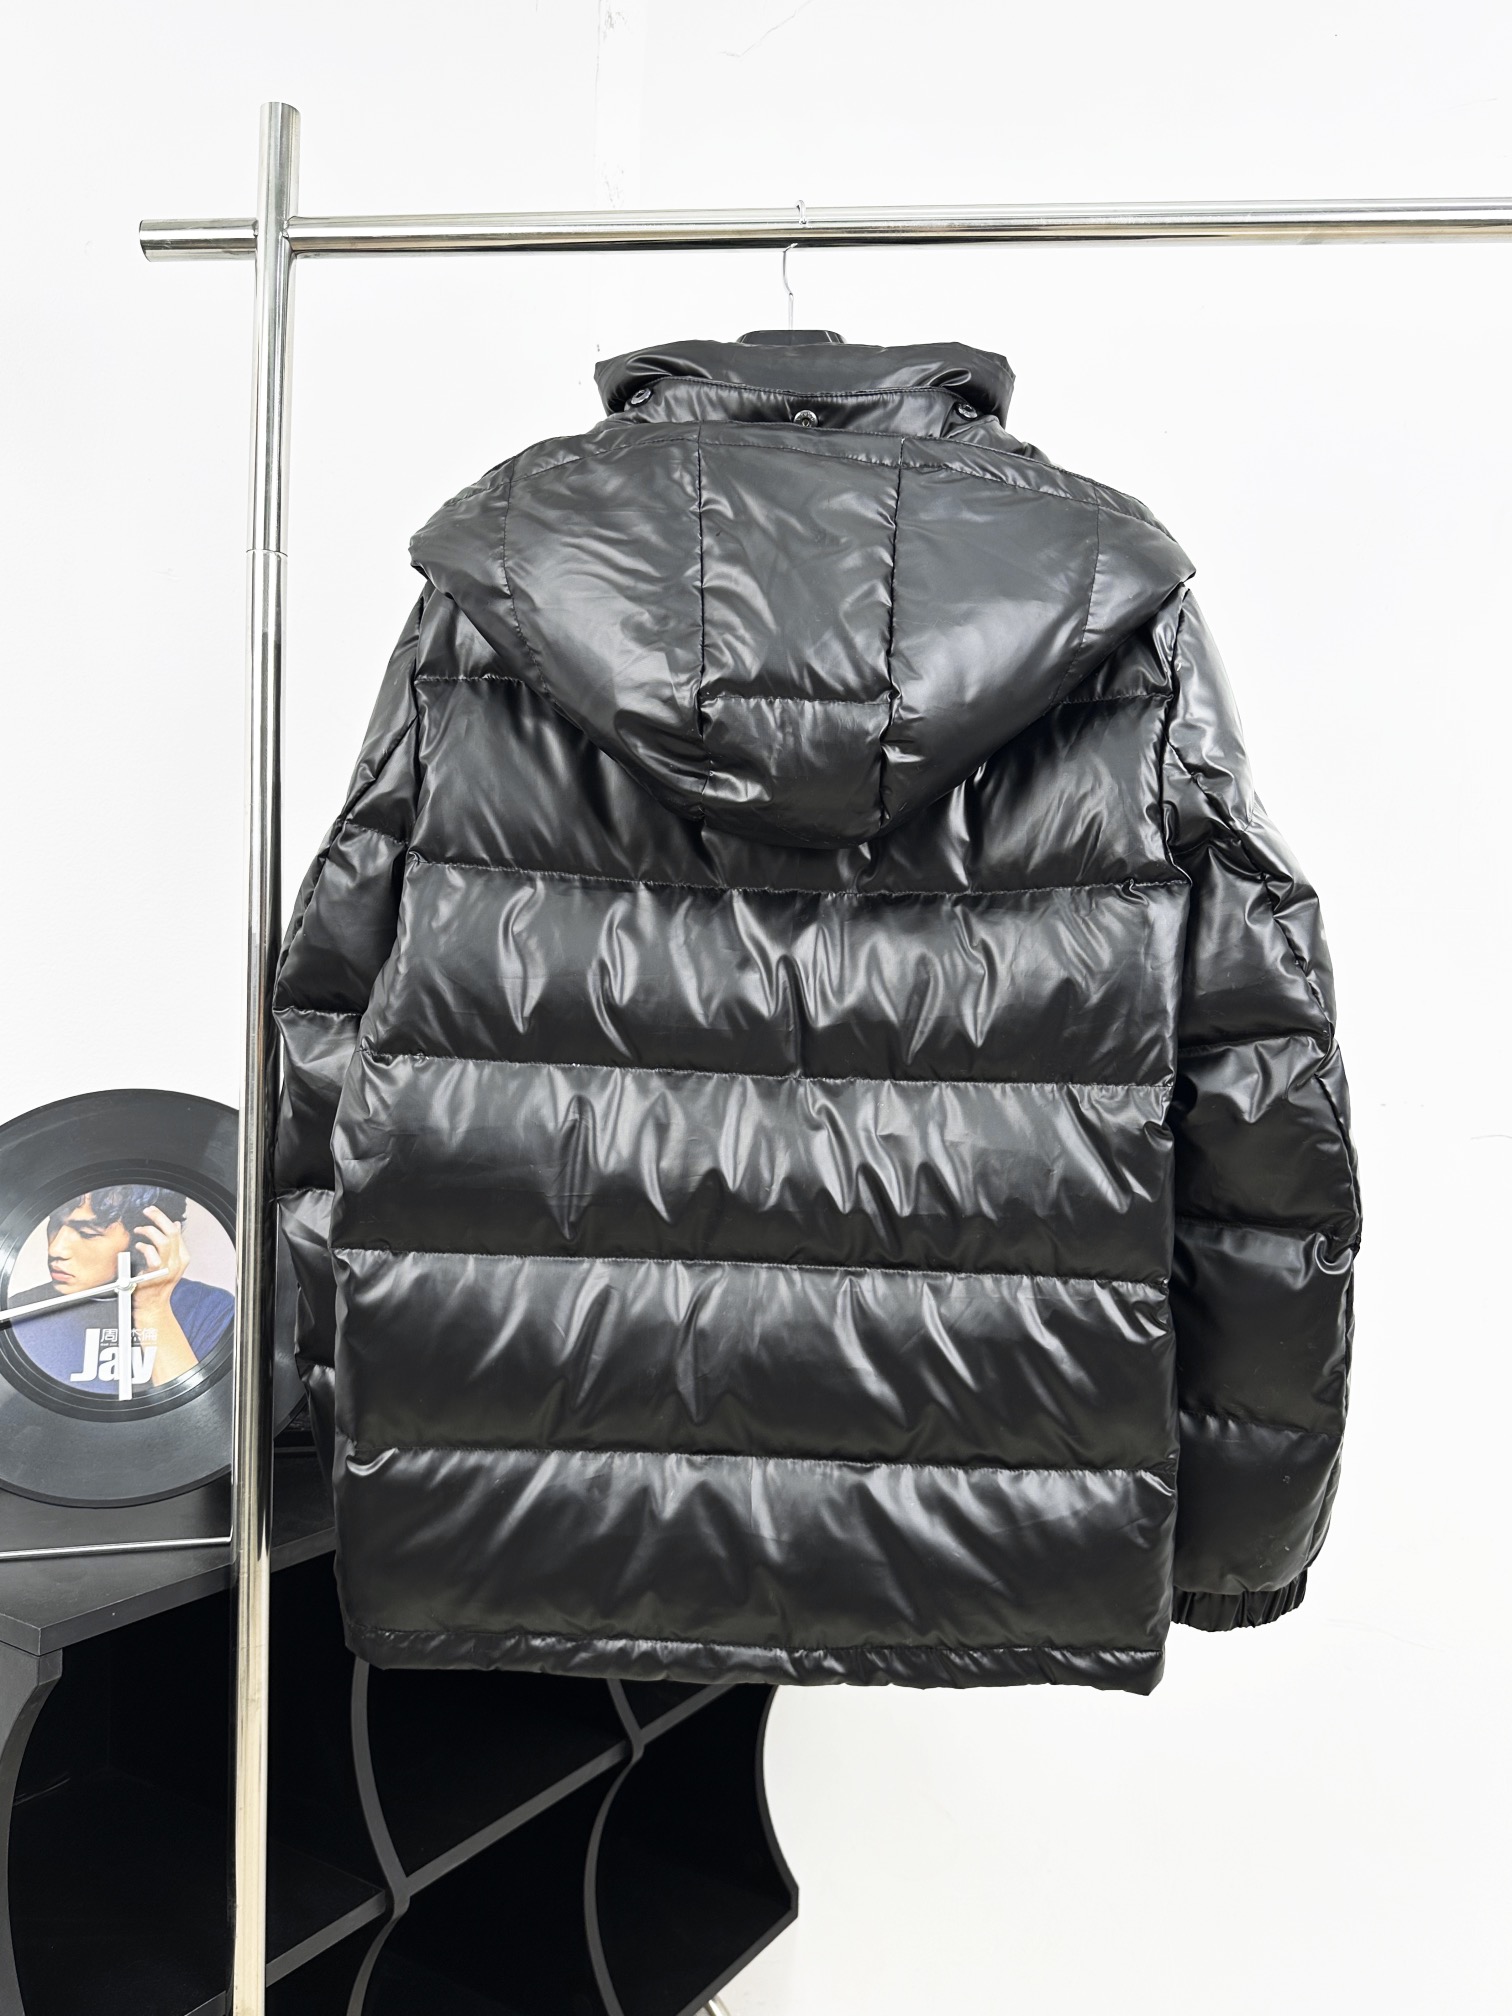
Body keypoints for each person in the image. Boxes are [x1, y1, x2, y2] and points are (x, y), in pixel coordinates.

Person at [5, 1186, 233, 1395]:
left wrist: (153, 1310)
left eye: (87, 1233)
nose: (56, 1249)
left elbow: (200, 1418)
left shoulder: (212, 1311)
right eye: (55, 1224)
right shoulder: (16, 1313)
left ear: (146, 1241)